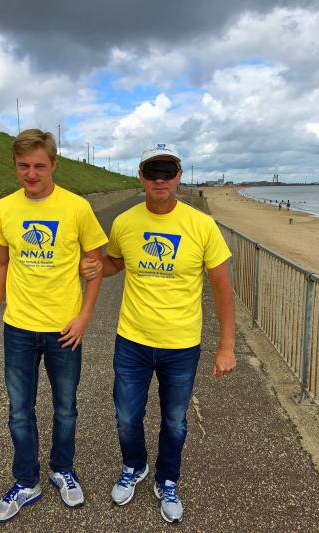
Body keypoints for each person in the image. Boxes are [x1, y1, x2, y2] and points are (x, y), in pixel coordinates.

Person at [81, 143, 236, 524]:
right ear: (141, 177)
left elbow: (222, 288)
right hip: (132, 340)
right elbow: (117, 261)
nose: (160, 179)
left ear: (179, 177)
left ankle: (167, 479)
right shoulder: (126, 222)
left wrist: (226, 346)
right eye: (153, 172)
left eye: (168, 171)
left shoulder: (201, 225)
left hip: (182, 345)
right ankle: (135, 467)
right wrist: (96, 268)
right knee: (126, 417)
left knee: (175, 421)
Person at [0, 129, 107, 523]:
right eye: (24, 166)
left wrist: (85, 316)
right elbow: (1, 263)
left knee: (66, 408)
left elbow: (96, 264)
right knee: (19, 411)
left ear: (53, 164)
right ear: (15, 166)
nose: (31, 174)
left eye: (39, 165)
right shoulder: (3, 209)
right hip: (18, 326)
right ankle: (26, 482)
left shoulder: (76, 208)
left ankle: (62, 469)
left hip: (64, 329)